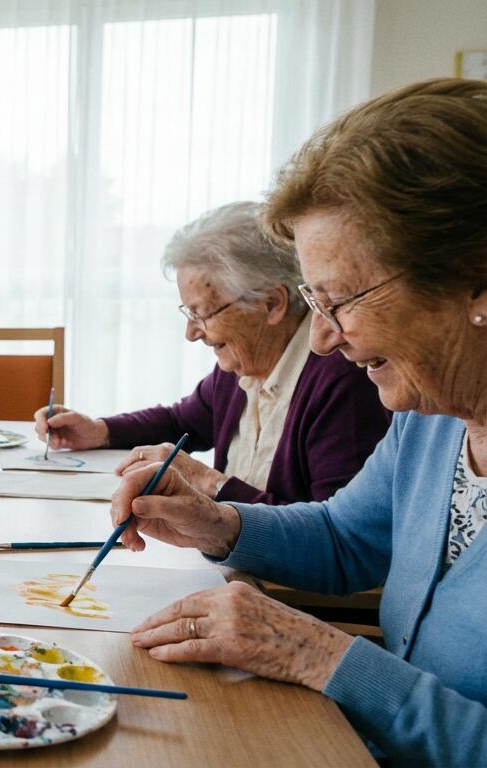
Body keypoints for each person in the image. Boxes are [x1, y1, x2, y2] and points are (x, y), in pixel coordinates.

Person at [115, 79, 487, 764]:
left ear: (476, 284)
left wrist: (323, 656)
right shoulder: (431, 418)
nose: (321, 340)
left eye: (340, 300)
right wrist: (218, 522)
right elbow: (347, 539)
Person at [34, 202, 388, 505]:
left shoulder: (342, 382)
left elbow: (331, 537)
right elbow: (180, 423)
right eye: (189, 314)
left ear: (271, 304)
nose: (191, 334)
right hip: (226, 567)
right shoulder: (239, 369)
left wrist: (208, 483)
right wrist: (98, 431)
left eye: (203, 313)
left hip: (273, 585)